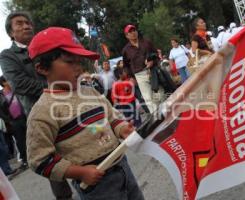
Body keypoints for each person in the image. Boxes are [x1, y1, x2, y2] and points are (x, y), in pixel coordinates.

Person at [26, 27, 144, 200]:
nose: (79, 68)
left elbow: (110, 116)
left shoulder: (89, 92)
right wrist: (80, 172)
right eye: (70, 62)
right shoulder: (43, 112)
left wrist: (122, 129)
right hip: (96, 185)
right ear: (42, 68)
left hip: (122, 166)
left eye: (79, 62)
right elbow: (39, 160)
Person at [0, 11, 73, 200]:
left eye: (28, 22)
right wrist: (55, 87)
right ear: (10, 32)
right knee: (54, 162)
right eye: (19, 24)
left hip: (68, 104)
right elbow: (20, 85)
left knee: (80, 144)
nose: (26, 26)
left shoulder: (45, 46)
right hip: (41, 113)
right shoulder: (8, 56)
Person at [122, 24, 163, 113]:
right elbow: (125, 66)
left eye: (134, 30)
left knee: (161, 95)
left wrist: (153, 62)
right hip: (139, 75)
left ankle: (168, 115)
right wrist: (131, 77)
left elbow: (156, 54)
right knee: (148, 99)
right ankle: (158, 119)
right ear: (126, 36)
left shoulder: (146, 42)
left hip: (153, 71)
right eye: (130, 32)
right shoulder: (126, 50)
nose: (133, 33)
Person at [0, 76, 27, 169]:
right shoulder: (1, 95)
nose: (10, 82)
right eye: (7, 80)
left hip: (24, 116)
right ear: (3, 83)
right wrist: (8, 121)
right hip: (14, 121)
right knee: (20, 140)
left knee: (31, 136)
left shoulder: (16, 90)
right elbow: (1, 112)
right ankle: (25, 159)